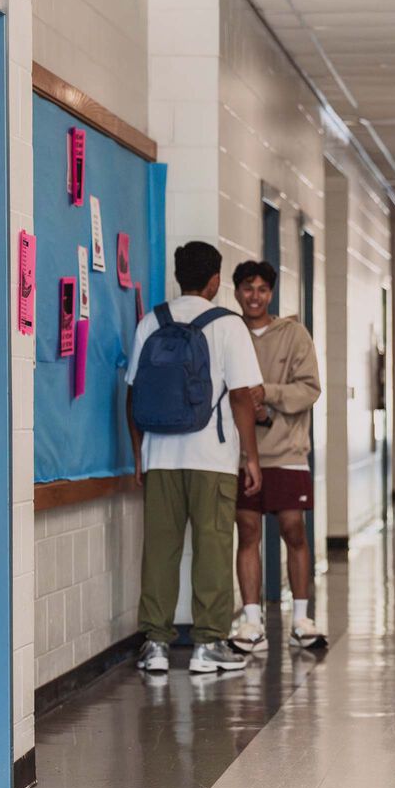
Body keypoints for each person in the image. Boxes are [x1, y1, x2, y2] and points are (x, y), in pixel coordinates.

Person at [126, 241, 265, 675]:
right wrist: (252, 457)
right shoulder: (228, 326)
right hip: (212, 457)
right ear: (214, 281)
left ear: (177, 276)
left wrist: (138, 455)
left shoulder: (152, 320)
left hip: (160, 455)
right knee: (213, 546)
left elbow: (132, 393)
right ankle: (208, 644)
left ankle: (155, 645)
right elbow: (243, 396)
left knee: (160, 550)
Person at [224, 260, 327, 653]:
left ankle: (301, 618)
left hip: (287, 451)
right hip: (239, 453)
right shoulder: (228, 332)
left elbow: (310, 388)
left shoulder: (294, 335)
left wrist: (268, 394)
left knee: (293, 531)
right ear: (235, 291)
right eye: (247, 288)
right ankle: (251, 623)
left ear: (271, 293)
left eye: (262, 289)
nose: (254, 296)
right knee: (247, 532)